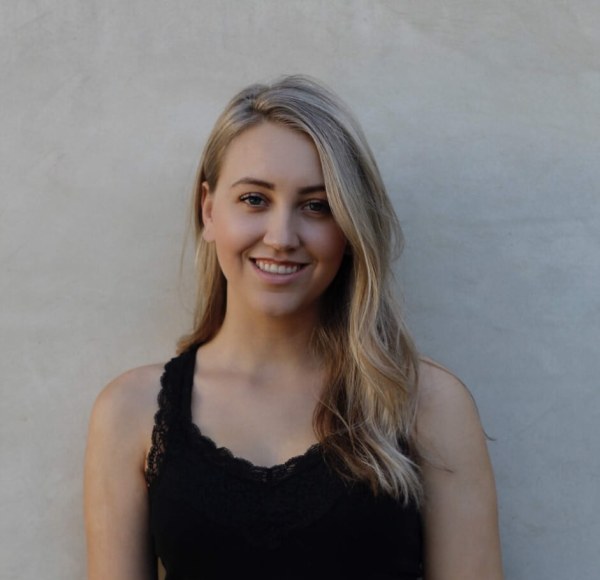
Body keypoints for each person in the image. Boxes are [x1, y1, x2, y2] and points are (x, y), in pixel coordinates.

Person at [84, 75, 503, 579]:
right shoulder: (131, 413)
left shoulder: (427, 405)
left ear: (349, 228)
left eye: (317, 206)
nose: (282, 237)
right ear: (209, 209)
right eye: (254, 200)